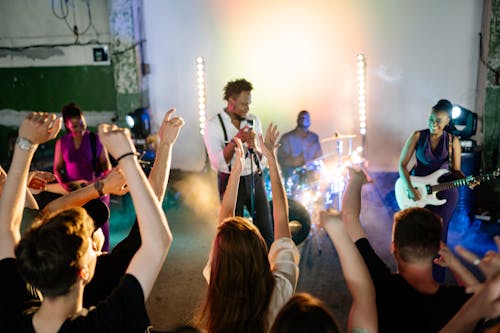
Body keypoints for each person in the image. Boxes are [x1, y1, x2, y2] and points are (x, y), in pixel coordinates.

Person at [0, 113, 173, 332]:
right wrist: (140, 153)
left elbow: (6, 225)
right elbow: (157, 239)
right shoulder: (106, 318)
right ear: (84, 272)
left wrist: (26, 144)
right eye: (90, 246)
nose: (97, 248)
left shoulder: (11, 315)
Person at [196, 124, 300, 333]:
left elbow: (224, 215)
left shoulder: (217, 278)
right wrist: (272, 160)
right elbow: (281, 218)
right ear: (260, 252)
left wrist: (236, 169)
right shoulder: (280, 288)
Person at [343, 167, 471, 333]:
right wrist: (456, 265)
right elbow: (483, 299)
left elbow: (349, 216)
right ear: (439, 249)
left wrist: (356, 179)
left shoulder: (379, 285)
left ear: (393, 246)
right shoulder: (455, 302)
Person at [203, 78, 274, 248]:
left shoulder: (253, 120)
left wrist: (255, 145)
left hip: (254, 178)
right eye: (243, 104)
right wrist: (236, 141)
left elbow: (261, 157)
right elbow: (217, 162)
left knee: (266, 229)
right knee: (234, 234)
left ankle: (268, 269)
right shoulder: (213, 125)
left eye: (249, 104)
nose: (247, 109)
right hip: (229, 181)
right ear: (231, 101)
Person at [399, 99, 464, 246]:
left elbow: (456, 171)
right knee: (417, 234)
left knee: (439, 235)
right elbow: (402, 165)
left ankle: (437, 267)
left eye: (438, 120)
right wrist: (409, 188)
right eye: (431, 119)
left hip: (444, 191)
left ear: (448, 121)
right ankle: (418, 267)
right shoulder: (417, 136)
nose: (433, 123)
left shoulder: (453, 141)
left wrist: (467, 179)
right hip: (419, 190)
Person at [54, 102, 113, 250]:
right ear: (67, 126)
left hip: (97, 190)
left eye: (81, 123)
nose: (79, 128)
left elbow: (107, 167)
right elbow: (57, 168)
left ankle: (103, 257)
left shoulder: (96, 140)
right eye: (75, 126)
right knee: (78, 228)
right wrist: (64, 185)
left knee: (100, 229)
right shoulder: (62, 143)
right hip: (75, 193)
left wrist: (95, 182)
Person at [277, 110, 323, 180]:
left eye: (307, 118)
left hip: (311, 179)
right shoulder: (286, 138)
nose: (304, 120)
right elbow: (281, 159)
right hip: (292, 178)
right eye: (302, 118)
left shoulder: (314, 138)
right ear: (298, 120)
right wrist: (294, 162)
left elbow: (319, 158)